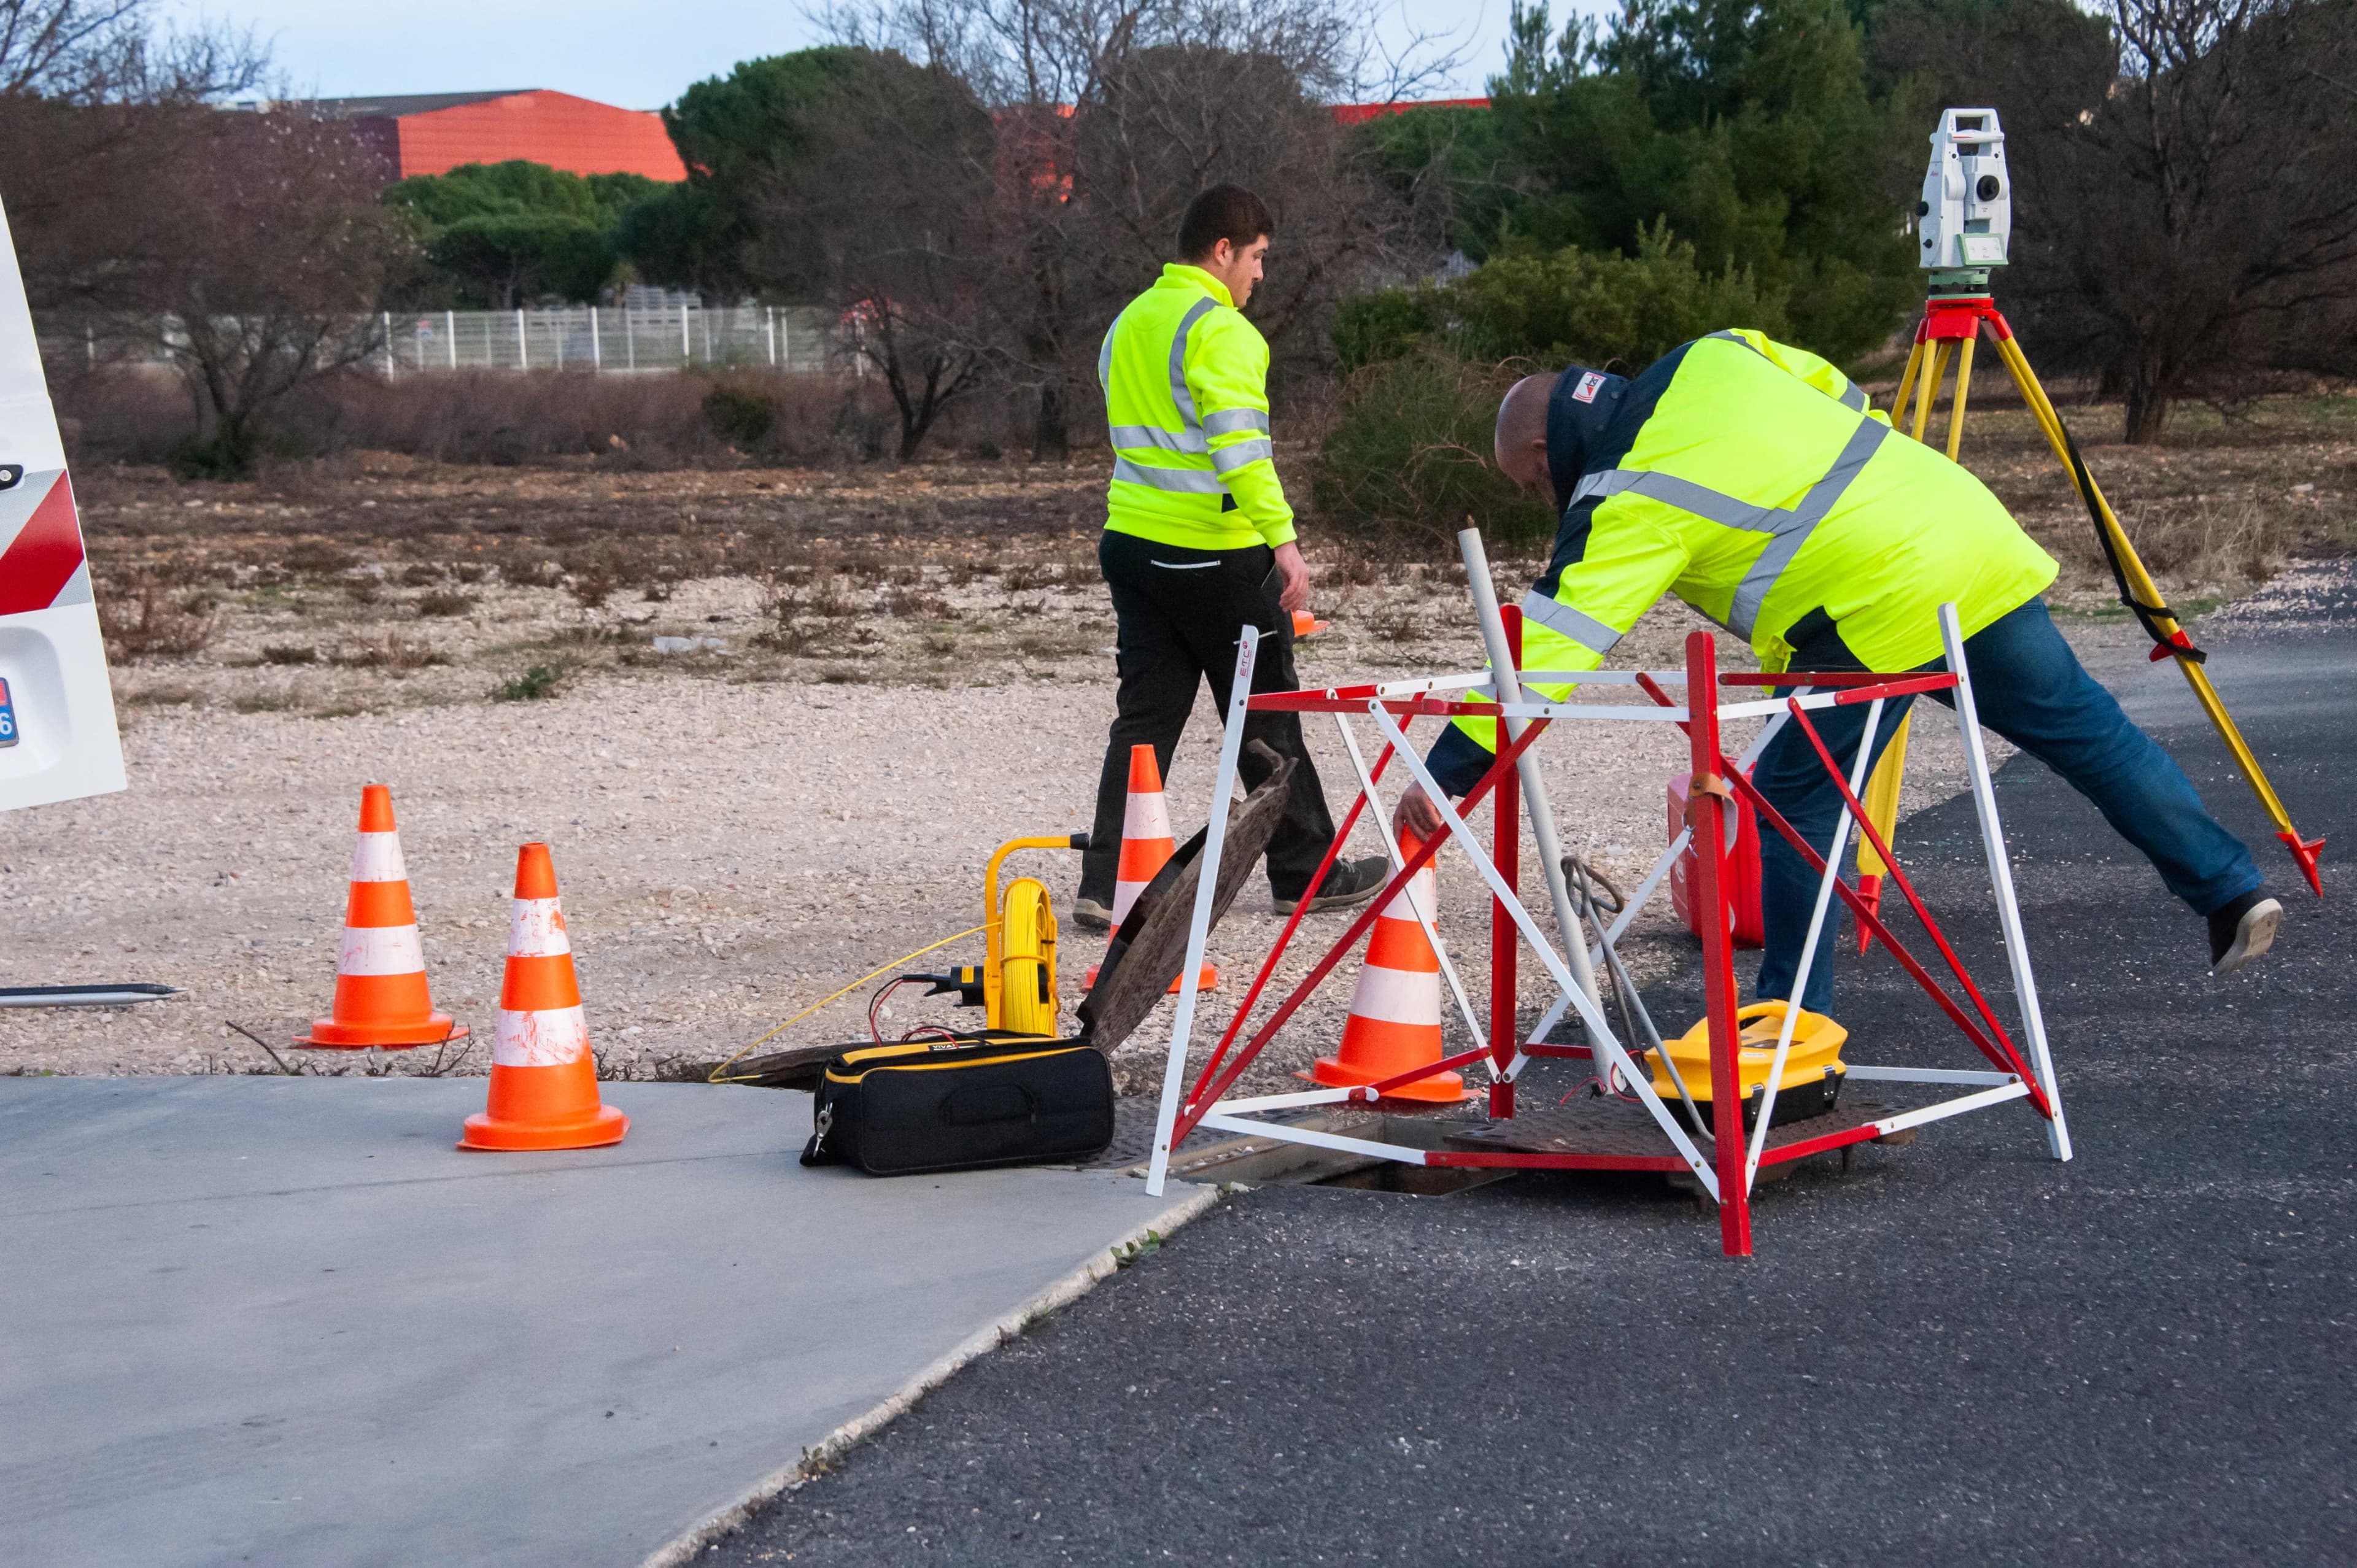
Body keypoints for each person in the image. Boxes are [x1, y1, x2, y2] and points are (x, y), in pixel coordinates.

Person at [1395, 328, 2284, 1009]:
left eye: (1528, 483)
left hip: (1870, 610)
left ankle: (1789, 1033)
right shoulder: (1717, 352)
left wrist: (1446, 776)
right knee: (2094, 739)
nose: (1540, 499)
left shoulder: (1624, 492)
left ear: (1549, 455)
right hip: (1963, 535)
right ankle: (2230, 889)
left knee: (1794, 811)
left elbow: (1550, 644)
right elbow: (1847, 396)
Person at [1072, 184, 1387, 931]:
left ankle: (1107, 881)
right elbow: (1242, 450)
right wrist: (1284, 540)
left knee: (1144, 718)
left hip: (1131, 547)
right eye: (1258, 258)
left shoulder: (1128, 323)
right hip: (1212, 555)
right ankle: (1306, 871)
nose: (1261, 275)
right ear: (1223, 251)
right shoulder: (1223, 332)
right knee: (1266, 707)